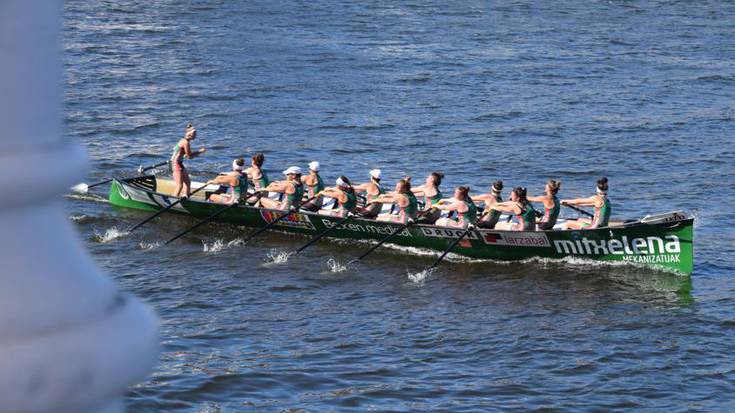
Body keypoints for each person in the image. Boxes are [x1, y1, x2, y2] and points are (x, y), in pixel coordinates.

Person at [171, 123, 206, 197]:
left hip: (179, 163)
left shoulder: (182, 140)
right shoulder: (185, 142)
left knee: (187, 182)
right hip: (176, 164)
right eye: (194, 134)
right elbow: (189, 157)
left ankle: (186, 197)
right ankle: (173, 199)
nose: (196, 135)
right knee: (179, 186)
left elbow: (182, 154)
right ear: (189, 134)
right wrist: (200, 152)